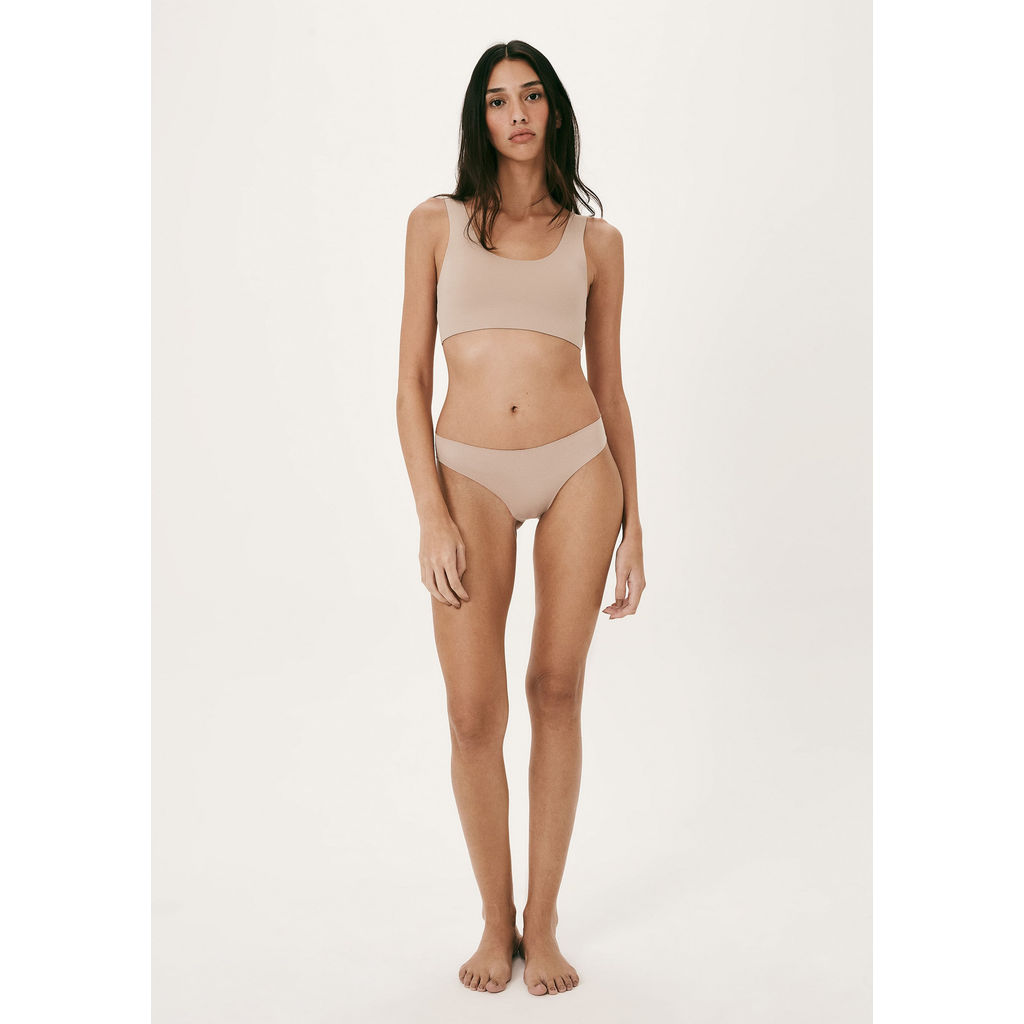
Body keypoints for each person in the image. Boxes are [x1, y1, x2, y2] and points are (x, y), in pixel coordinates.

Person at [395, 39, 646, 996]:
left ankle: (542, 923)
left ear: (555, 111)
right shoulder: (434, 224)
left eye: (532, 95)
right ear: (481, 118)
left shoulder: (598, 243)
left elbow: (611, 389)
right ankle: (493, 920)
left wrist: (636, 526)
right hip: (466, 473)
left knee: (554, 690)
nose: (518, 114)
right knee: (473, 714)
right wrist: (430, 512)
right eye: (499, 100)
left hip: (579, 464)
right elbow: (410, 383)